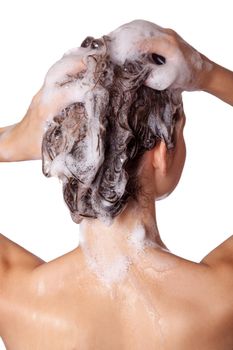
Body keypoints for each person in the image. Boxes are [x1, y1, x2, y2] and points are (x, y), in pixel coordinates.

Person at [0, 20, 232, 350]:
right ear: (162, 153)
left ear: (69, 153)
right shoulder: (221, 298)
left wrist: (13, 141)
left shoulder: (16, 295)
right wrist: (207, 74)